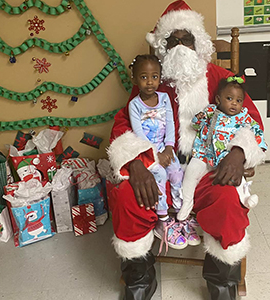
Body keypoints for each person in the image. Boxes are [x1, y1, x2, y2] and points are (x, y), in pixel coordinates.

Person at [107, 1, 266, 299]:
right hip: (160, 169)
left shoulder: (220, 78)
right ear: (162, 46)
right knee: (128, 195)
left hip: (209, 166)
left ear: (199, 42)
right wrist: (137, 163)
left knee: (228, 201)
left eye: (187, 39)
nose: (180, 46)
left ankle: (222, 285)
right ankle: (139, 281)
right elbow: (123, 123)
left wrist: (238, 153)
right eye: (172, 40)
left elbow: (252, 122)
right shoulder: (151, 82)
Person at [128, 54, 199, 250]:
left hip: (165, 147)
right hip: (148, 151)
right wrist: (154, 154)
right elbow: (139, 133)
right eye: (143, 77)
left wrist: (169, 147)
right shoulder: (134, 105)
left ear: (160, 78)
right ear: (134, 79)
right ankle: (163, 219)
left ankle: (180, 213)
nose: (150, 82)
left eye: (154, 77)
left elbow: (170, 124)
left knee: (177, 172)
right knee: (158, 173)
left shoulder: (165, 98)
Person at [177, 76, 267, 221]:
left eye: (238, 101)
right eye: (229, 98)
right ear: (218, 99)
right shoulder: (210, 111)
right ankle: (187, 203)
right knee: (190, 174)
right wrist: (198, 118)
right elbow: (195, 125)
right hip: (204, 155)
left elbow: (256, 131)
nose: (234, 104)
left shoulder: (243, 116)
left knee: (235, 178)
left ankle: (246, 199)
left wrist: (252, 150)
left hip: (225, 158)